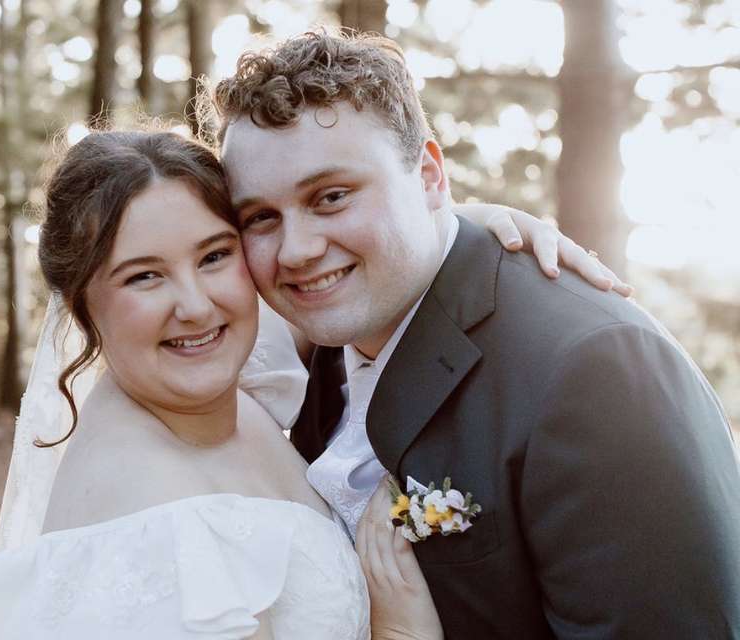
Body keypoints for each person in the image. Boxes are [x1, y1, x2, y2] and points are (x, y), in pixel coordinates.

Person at [0, 128, 623, 639]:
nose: (196, 305)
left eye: (215, 255)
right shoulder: (152, 529)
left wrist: (462, 222)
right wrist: (399, 631)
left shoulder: (226, 379)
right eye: (144, 276)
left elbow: (366, 262)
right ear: (83, 303)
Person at [209, 29, 740, 639]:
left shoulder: (596, 369)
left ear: (431, 176)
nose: (296, 251)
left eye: (331, 197)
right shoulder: (324, 345)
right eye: (261, 218)